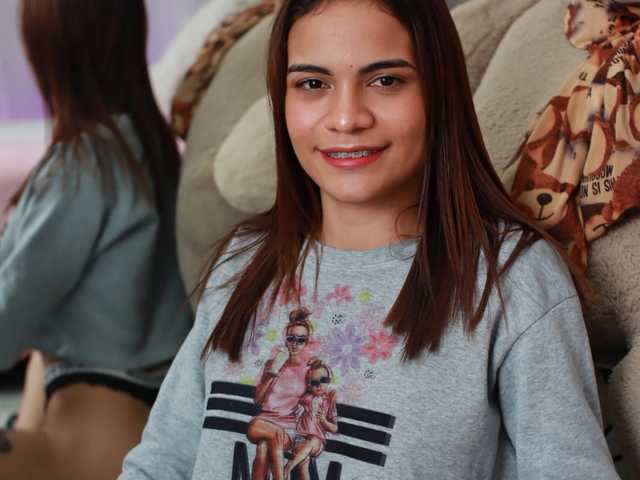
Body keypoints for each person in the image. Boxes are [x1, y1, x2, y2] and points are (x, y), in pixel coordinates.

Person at [119, 0, 621, 479]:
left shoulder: (510, 278)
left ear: (438, 90)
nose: (346, 118)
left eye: (385, 80)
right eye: (312, 83)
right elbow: (160, 464)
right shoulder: (243, 262)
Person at [0, 1, 192, 479]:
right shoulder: (152, 151)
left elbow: (11, 310)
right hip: (132, 421)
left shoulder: (83, 165)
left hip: (91, 432)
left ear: (49, 49)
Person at [248, 308, 315, 480]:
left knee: (263, 447)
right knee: (273, 434)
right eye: (291, 338)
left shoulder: (308, 370)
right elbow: (258, 399)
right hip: (261, 423)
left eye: (301, 340)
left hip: (288, 431)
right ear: (286, 339)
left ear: (307, 342)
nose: (295, 344)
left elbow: (313, 400)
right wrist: (274, 371)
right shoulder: (272, 363)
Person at [283, 359, 338, 479]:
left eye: (324, 380)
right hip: (300, 439)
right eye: (314, 382)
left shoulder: (329, 400)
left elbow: (335, 428)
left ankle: (286, 469)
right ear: (309, 385)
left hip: (317, 442)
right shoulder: (306, 398)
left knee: (311, 442)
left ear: (329, 381)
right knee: (303, 462)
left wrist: (324, 421)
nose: (319, 385)